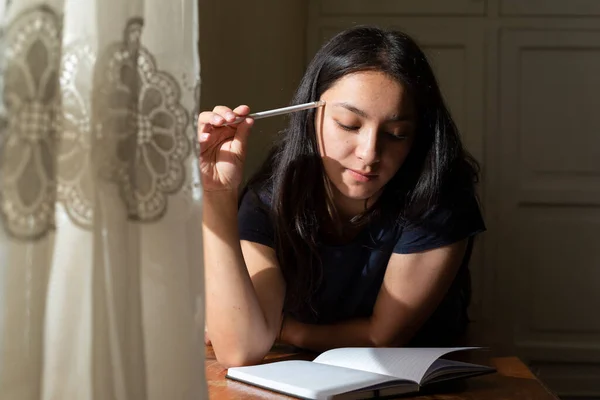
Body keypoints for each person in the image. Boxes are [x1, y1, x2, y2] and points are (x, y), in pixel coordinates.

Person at [198, 25, 485, 368]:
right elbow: (241, 350)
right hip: (303, 380)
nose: (369, 153)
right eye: (349, 124)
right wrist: (217, 197)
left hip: (420, 382)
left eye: (397, 134)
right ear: (311, 115)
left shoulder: (438, 195)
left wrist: (280, 328)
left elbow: (383, 337)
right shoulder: (273, 196)